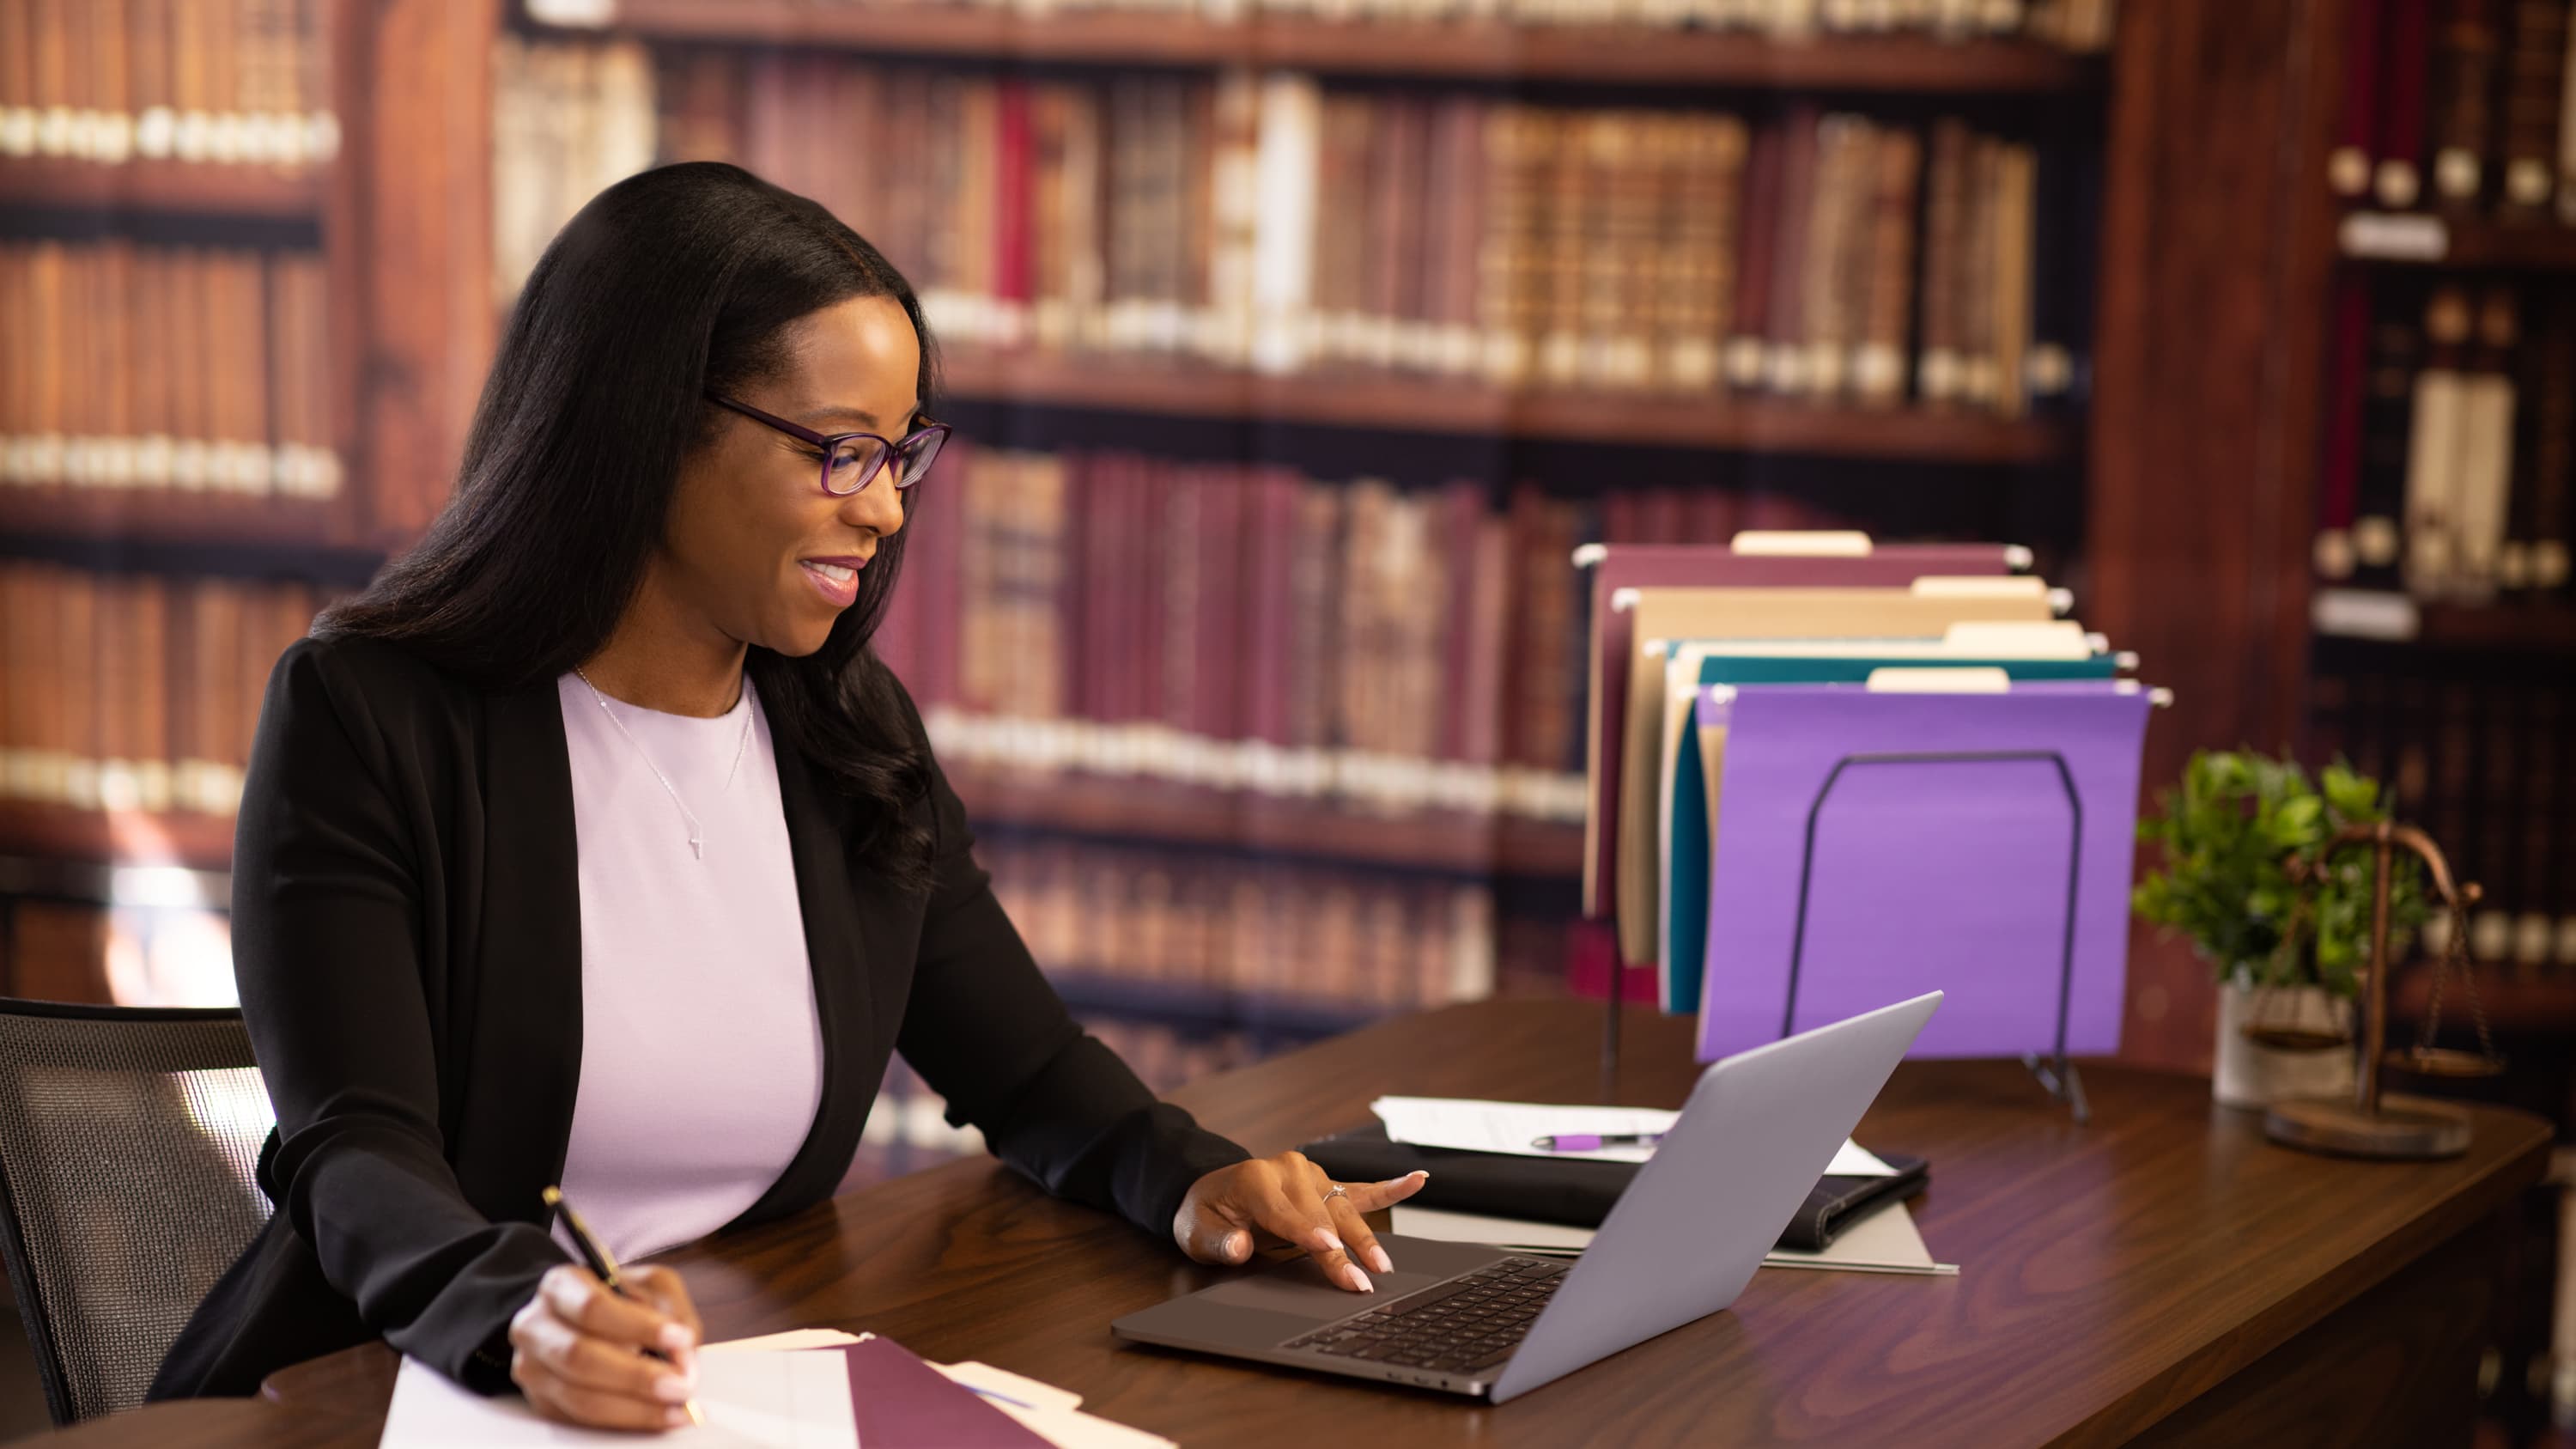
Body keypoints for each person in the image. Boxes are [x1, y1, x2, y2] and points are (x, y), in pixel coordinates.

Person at [149, 161, 1426, 1429]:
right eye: (841, 452)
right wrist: (516, 1313)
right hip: (391, 1393)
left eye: (900, 455)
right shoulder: (366, 718)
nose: (881, 509)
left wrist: (1195, 1185)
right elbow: (354, 1151)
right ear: (649, 424)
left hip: (720, 1386)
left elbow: (1029, 1070)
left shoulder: (846, 734)